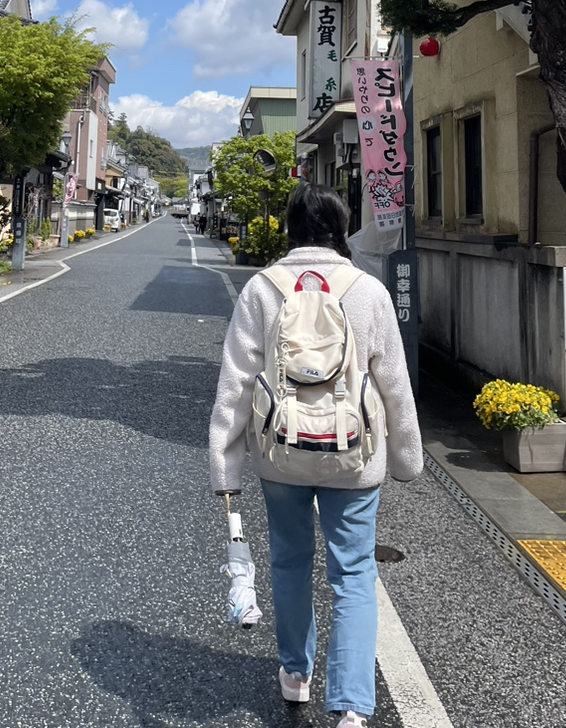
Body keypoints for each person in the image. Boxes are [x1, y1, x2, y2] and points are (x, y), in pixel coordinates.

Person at [208, 183, 422, 728]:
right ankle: (351, 705)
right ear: (341, 227)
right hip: (354, 455)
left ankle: (295, 673)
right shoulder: (368, 291)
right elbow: (395, 386)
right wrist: (406, 458)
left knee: (289, 561)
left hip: (280, 452)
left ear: (290, 228)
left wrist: (225, 467)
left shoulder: (262, 288)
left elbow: (235, 386)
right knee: (354, 574)